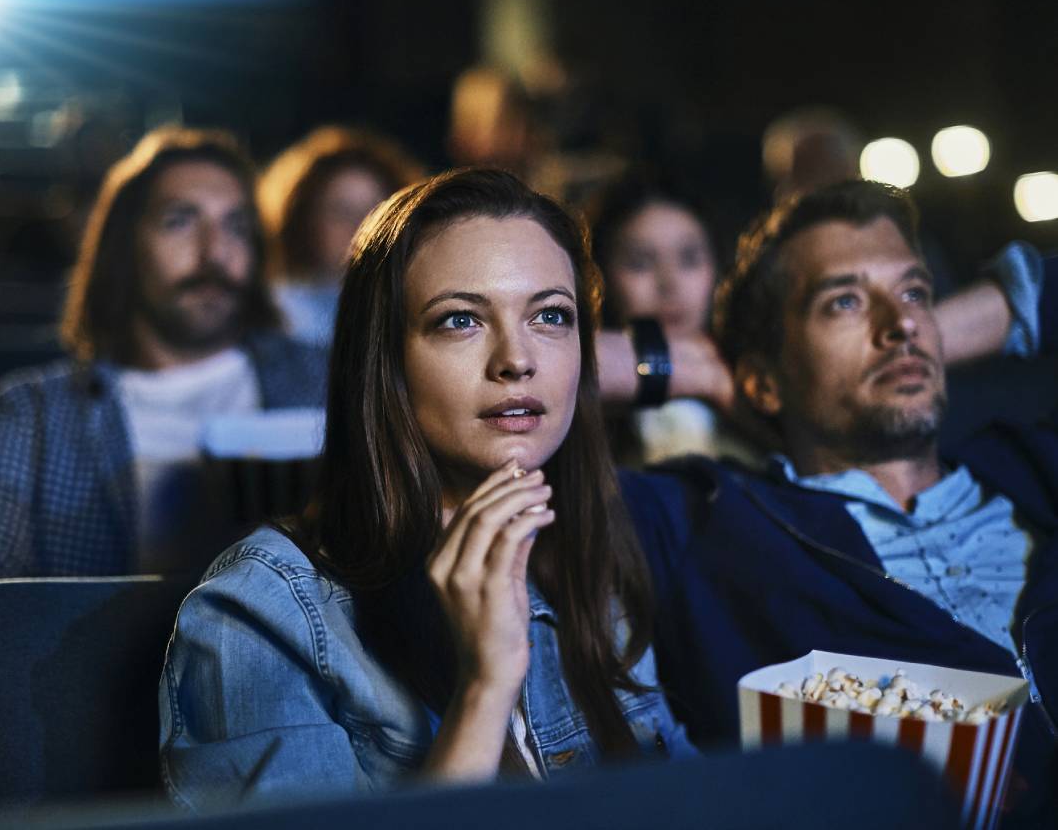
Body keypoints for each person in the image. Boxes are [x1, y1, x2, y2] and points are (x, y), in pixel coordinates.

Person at [159, 168, 696, 810]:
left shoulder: (591, 553)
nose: (516, 359)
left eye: (551, 315)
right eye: (460, 320)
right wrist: (485, 686)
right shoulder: (260, 612)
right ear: (384, 361)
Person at [622, 179, 1056, 819]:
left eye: (914, 290)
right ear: (762, 383)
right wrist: (692, 367)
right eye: (843, 302)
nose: (900, 322)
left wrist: (921, 334)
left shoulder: (1035, 464)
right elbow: (495, 380)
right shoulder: (703, 519)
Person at [0, 126, 327, 596]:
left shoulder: (330, 382)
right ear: (124, 246)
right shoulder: (33, 415)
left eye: (236, 226)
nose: (216, 251)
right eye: (180, 221)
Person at [589, 175, 760, 466]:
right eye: (640, 262)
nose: (669, 283)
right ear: (601, 275)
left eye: (689, 259)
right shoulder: (577, 394)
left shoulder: (759, 384)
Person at [257, 126, 423, 350]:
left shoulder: (412, 309)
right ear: (302, 219)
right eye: (341, 211)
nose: (361, 226)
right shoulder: (271, 314)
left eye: (375, 211)